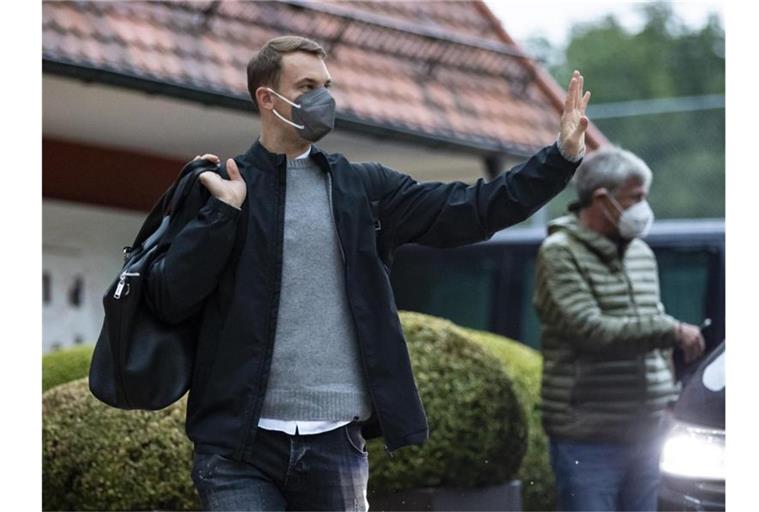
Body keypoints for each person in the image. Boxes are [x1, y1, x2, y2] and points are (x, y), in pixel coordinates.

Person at [144, 34, 591, 511]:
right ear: (267, 99)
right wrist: (221, 217)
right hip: (237, 449)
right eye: (307, 85)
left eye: (327, 85)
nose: (323, 98)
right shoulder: (221, 188)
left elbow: (472, 209)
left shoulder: (363, 188)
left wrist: (558, 159)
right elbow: (169, 296)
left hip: (336, 445)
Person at [533, 146, 706, 512]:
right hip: (588, 438)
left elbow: (651, 335)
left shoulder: (641, 252)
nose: (644, 208)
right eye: (636, 198)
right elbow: (591, 330)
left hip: (648, 432)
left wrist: (668, 397)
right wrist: (671, 330)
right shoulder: (558, 253)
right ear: (602, 199)